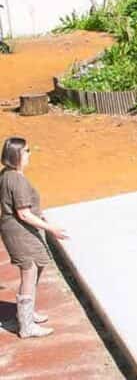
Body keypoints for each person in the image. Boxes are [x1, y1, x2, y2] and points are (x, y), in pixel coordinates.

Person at [1, 137, 66, 339]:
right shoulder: (17, 180)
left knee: (37, 266)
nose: (30, 154)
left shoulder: (6, 175)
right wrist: (51, 228)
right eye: (27, 151)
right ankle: (26, 325)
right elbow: (24, 213)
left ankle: (27, 314)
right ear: (17, 155)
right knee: (29, 271)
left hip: (18, 229)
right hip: (21, 231)